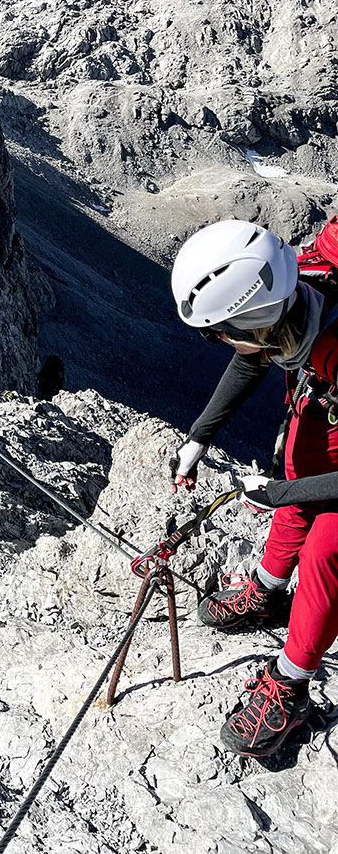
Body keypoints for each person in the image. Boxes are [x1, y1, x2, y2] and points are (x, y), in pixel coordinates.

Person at [170, 218, 338, 757]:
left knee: (328, 546)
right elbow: (252, 357)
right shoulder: (301, 285)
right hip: (322, 389)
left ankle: (290, 690)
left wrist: (281, 495)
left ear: (259, 324)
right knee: (298, 464)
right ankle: (266, 595)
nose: (220, 342)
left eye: (222, 331)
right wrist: (199, 437)